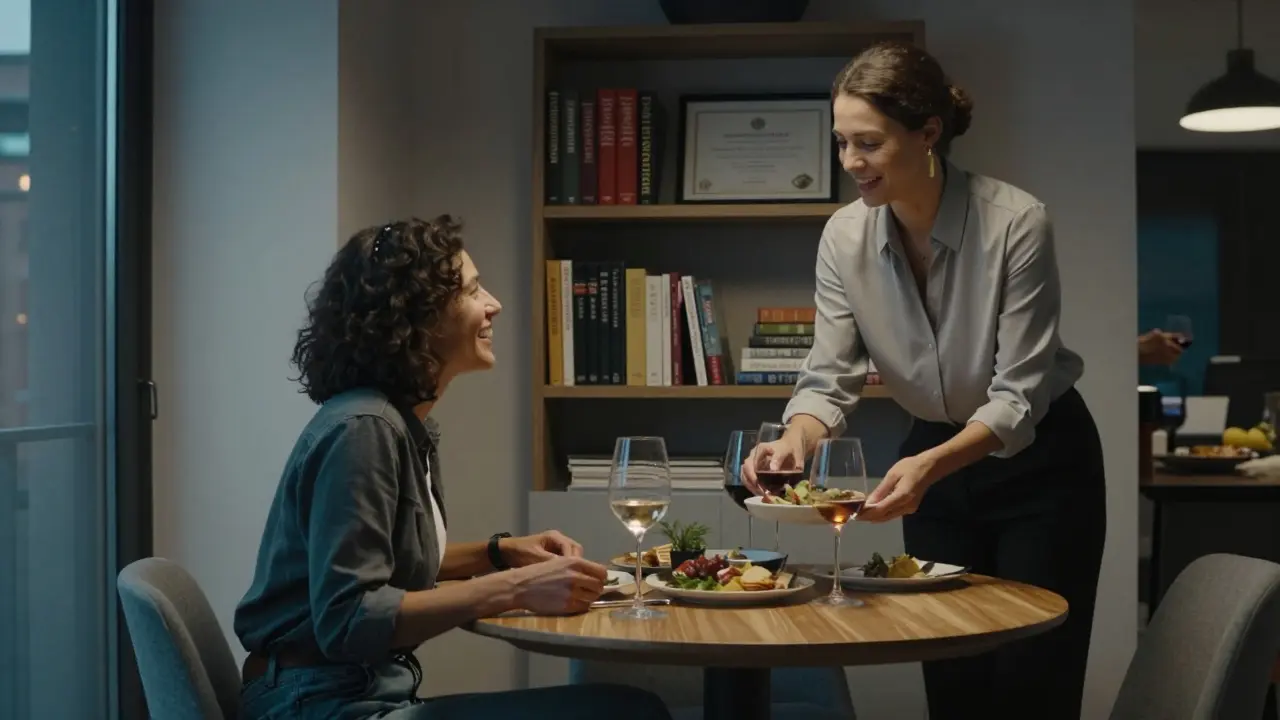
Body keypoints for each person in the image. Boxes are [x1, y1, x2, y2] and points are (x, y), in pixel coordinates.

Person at [743, 41, 1105, 719]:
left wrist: (928, 465)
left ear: (929, 133)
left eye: (870, 143)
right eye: (841, 142)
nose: (851, 162)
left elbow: (1018, 396)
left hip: (1043, 467)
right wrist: (797, 438)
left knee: (1033, 685)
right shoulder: (842, 238)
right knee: (951, 677)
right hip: (934, 468)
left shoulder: (1017, 224)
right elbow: (829, 376)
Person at [233, 216, 672, 720]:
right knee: (627, 713)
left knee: (626, 707)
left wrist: (499, 553)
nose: (494, 304)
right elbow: (347, 619)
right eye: (472, 290)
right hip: (317, 706)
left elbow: (379, 562)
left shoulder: (397, 422)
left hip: (344, 692)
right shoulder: (364, 429)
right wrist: (514, 589)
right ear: (417, 317)